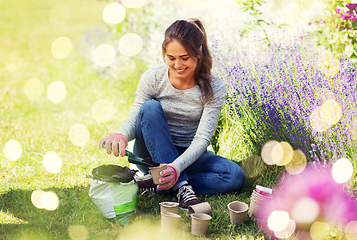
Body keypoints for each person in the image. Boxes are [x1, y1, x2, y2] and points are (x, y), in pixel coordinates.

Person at [98, 18, 245, 210]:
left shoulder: (214, 86)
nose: (177, 65)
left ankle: (157, 183)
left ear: (198, 52)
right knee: (150, 108)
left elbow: (202, 139)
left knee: (234, 176)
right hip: (151, 154)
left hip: (188, 155)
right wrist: (122, 134)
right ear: (164, 54)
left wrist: (176, 167)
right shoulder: (153, 78)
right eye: (171, 58)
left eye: (184, 58)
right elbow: (136, 116)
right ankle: (182, 188)